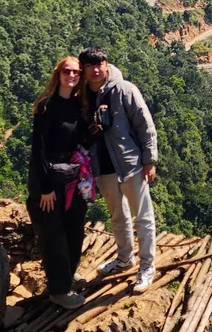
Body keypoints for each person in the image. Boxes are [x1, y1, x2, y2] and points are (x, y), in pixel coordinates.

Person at [79, 47, 160, 293]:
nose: (95, 70)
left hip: (130, 164)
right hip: (102, 167)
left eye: (99, 64)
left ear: (106, 64)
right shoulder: (81, 95)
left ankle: (147, 266)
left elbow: (145, 125)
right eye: (89, 65)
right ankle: (125, 259)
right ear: (83, 69)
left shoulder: (124, 90)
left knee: (142, 217)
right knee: (118, 216)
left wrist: (150, 160)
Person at [27, 56, 92, 310]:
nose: (72, 75)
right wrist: (44, 188)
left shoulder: (78, 106)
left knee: (75, 229)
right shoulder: (46, 107)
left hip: (73, 178)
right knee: (53, 234)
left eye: (76, 72)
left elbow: (82, 140)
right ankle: (59, 290)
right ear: (59, 74)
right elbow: (38, 150)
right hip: (49, 181)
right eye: (67, 71)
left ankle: (67, 274)